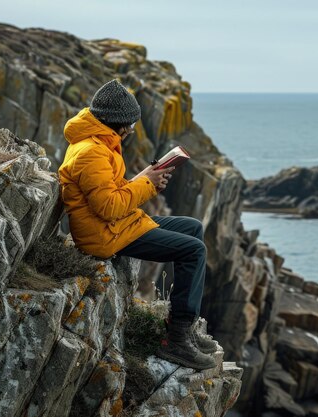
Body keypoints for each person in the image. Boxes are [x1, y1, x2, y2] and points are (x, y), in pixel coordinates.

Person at [58, 79, 217, 370]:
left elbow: (110, 193)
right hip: (105, 235)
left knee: (193, 227)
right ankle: (178, 340)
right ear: (117, 123)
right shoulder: (91, 152)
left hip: (119, 224)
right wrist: (148, 184)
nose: (132, 130)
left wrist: (143, 177)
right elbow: (108, 208)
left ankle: (185, 327)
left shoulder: (100, 143)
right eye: (130, 124)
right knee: (193, 251)